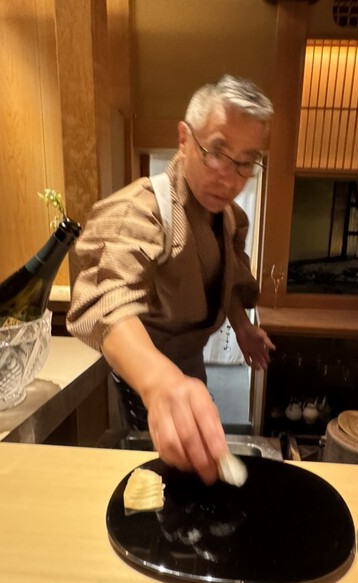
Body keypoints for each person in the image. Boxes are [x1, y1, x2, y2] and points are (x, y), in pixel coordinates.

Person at [67, 75, 275, 484]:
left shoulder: (230, 217)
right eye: (217, 152)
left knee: (200, 453)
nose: (230, 178)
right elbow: (108, 297)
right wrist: (159, 382)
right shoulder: (139, 209)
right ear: (184, 139)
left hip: (191, 359)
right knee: (163, 472)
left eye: (246, 162)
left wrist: (243, 328)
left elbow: (229, 281)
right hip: (145, 367)